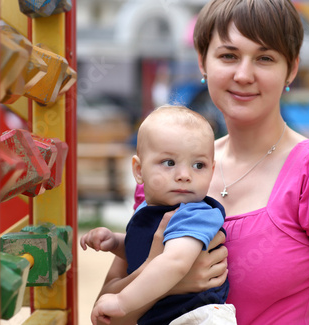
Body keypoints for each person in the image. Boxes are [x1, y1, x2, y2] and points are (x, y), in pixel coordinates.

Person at [88, 0, 309, 324]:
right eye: (229, 55)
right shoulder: (170, 169)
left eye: (265, 58)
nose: (244, 75)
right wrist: (166, 281)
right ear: (203, 62)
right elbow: (105, 317)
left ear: (291, 69)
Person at [81, 106, 237, 325]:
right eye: (169, 163)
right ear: (138, 170)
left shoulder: (195, 214)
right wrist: (115, 242)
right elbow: (145, 248)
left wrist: (122, 302)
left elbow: (175, 261)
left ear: (211, 171)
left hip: (199, 316)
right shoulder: (147, 208)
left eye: (198, 165)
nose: (184, 175)